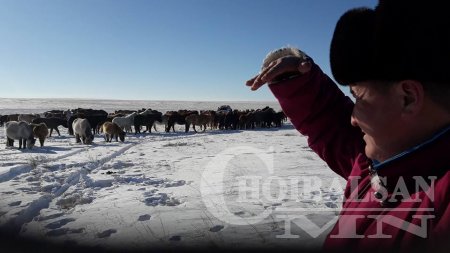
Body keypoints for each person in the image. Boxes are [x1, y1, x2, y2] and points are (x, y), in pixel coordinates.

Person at [246, 0, 449, 252]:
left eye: (358, 97)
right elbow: (331, 124)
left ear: (408, 98)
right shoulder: (375, 164)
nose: (353, 118)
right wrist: (295, 80)